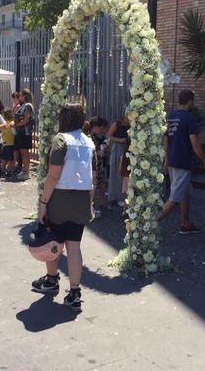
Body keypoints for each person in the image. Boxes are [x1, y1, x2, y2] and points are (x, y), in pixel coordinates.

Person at [33, 103, 96, 312]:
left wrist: (43, 203)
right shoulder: (89, 143)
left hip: (59, 199)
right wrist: (91, 203)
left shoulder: (61, 141)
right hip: (81, 201)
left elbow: (53, 175)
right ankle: (75, 293)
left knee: (54, 242)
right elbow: (92, 178)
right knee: (74, 246)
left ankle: (52, 281)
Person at [157, 90, 205, 234]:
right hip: (182, 162)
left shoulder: (171, 117)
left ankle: (186, 224)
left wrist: (166, 159)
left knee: (184, 193)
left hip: (173, 160)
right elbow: (195, 143)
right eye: (193, 101)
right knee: (174, 198)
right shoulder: (189, 118)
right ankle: (148, 225)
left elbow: (166, 140)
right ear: (190, 102)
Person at [107, 114, 130, 207]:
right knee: (115, 172)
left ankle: (122, 196)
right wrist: (120, 140)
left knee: (124, 173)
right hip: (118, 148)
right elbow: (109, 136)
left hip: (127, 149)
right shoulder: (117, 124)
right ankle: (113, 196)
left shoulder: (131, 125)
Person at [90, 117, 109, 218]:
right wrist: (98, 152)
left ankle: (102, 204)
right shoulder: (90, 137)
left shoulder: (101, 136)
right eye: (100, 128)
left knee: (101, 185)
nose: (102, 130)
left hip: (101, 164)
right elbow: (90, 152)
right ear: (95, 127)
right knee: (94, 186)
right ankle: (94, 208)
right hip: (94, 165)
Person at [13, 88, 34, 180]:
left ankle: (26, 172)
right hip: (21, 132)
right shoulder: (22, 105)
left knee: (25, 153)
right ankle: (25, 170)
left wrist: (16, 124)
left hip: (25, 132)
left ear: (25, 96)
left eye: (21, 95)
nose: (19, 97)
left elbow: (26, 119)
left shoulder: (27, 106)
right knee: (23, 152)